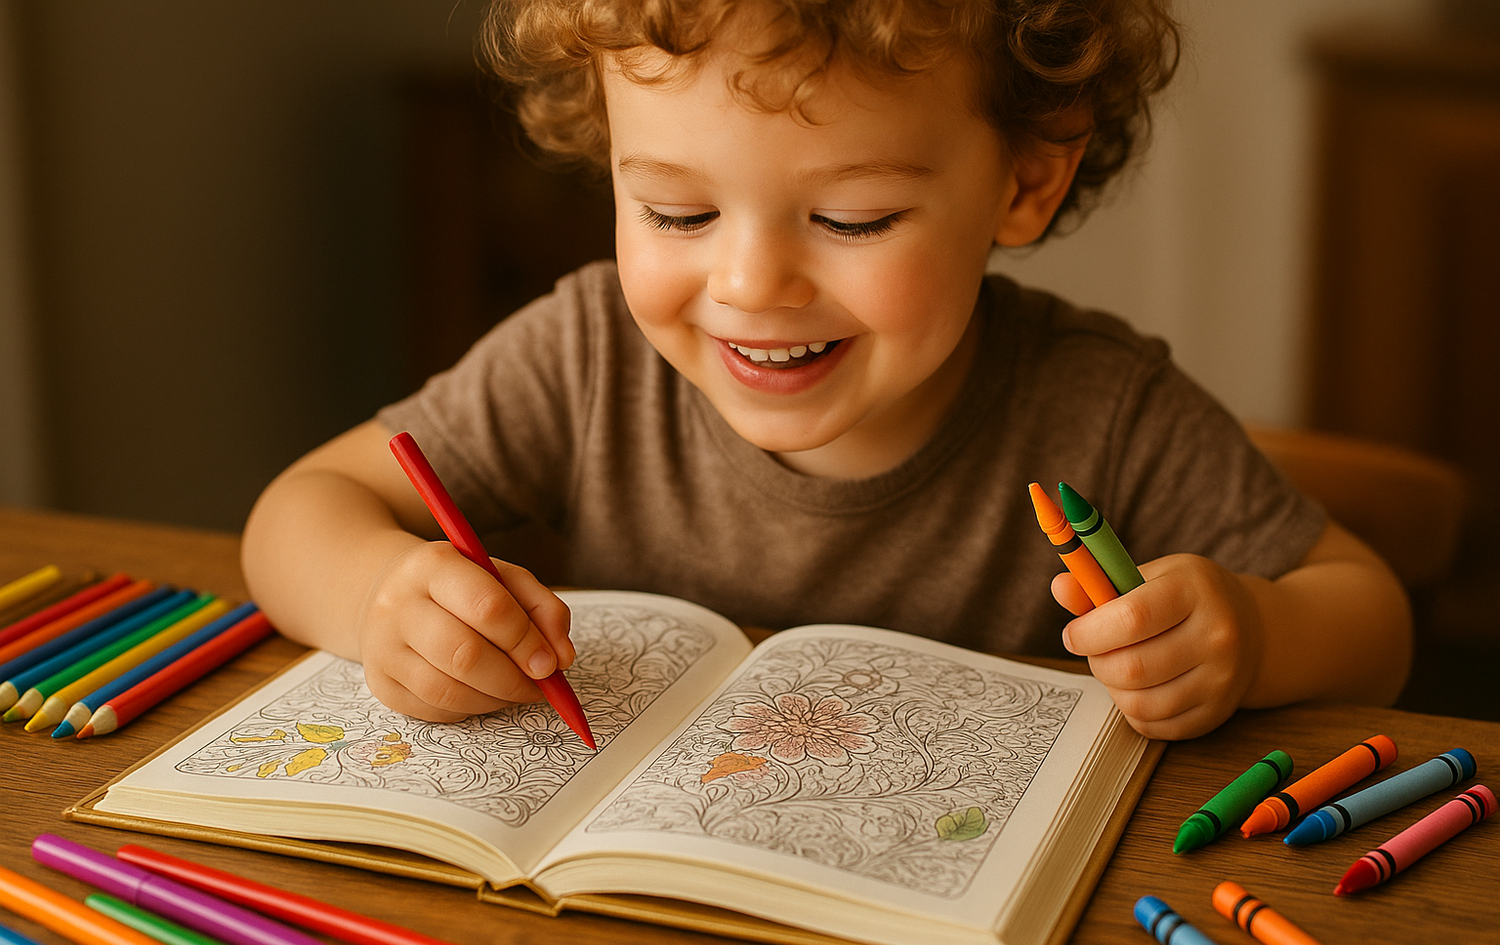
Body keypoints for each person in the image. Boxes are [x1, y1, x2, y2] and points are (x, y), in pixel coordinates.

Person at [241, 0, 1411, 741]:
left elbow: (1373, 616)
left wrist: (1252, 633)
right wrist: (381, 593)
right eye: (677, 211)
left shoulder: (1103, 408)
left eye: (854, 219)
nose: (751, 284)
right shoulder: (585, 355)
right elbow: (299, 511)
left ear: (1024, 181)